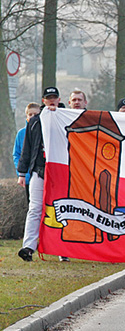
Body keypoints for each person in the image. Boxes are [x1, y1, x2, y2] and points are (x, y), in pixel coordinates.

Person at [17, 87, 60, 262]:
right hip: (39, 169)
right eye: (48, 98)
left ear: (58, 99)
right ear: (43, 101)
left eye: (54, 98)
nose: (51, 101)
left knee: (59, 209)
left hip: (59, 172)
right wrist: (22, 172)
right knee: (35, 208)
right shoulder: (35, 121)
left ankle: (61, 248)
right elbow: (27, 147)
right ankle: (28, 247)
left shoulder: (65, 117)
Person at [14, 103, 41, 202]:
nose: (32, 117)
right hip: (28, 177)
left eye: (35, 114)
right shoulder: (21, 133)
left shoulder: (43, 132)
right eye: (30, 114)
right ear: (26, 116)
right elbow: (16, 154)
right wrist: (21, 172)